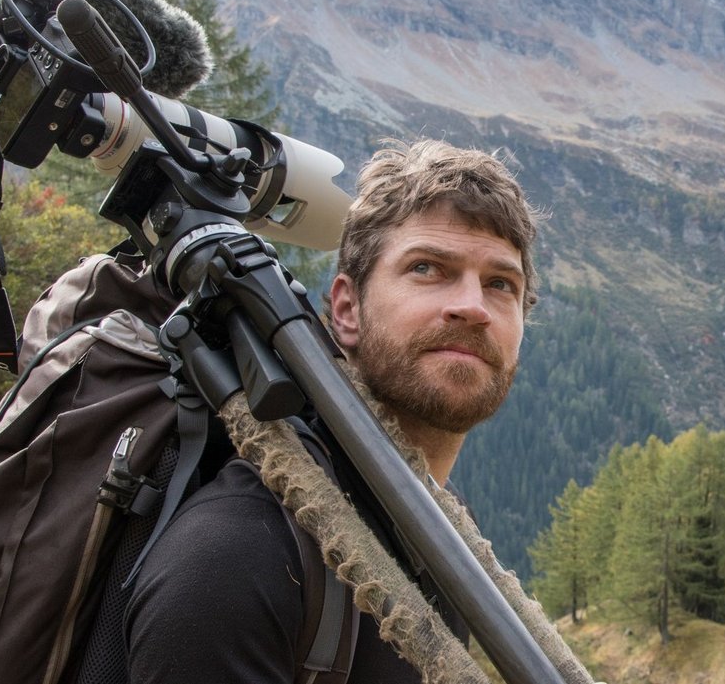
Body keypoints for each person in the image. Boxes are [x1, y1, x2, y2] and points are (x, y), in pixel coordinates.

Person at [125, 138, 542, 683]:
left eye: (500, 283)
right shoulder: (239, 557)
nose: (472, 305)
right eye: (427, 268)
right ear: (346, 308)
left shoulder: (432, 532)